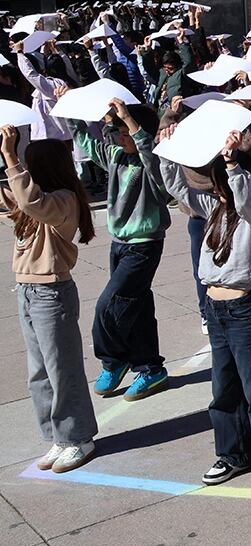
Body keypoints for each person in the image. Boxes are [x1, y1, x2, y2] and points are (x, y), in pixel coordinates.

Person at [159, 130, 251, 493]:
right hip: (216, 308)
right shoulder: (213, 209)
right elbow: (178, 188)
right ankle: (234, 454)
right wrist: (165, 149)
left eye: (222, 182)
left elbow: (247, 201)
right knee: (224, 388)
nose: (215, 190)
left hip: (243, 309)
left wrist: (233, 164)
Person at [2, 125, 99, 474]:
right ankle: (59, 436)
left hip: (50, 294)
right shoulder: (35, 198)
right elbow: (15, 198)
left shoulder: (62, 201)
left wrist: (12, 155)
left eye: (29, 164)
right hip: (26, 291)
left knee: (62, 370)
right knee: (38, 373)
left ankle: (80, 438)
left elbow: (29, 200)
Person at [72, 98, 172, 401]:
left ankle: (114, 359)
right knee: (137, 306)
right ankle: (150, 368)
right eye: (118, 133)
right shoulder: (116, 157)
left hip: (144, 246)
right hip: (119, 245)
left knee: (109, 305)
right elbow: (86, 142)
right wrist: (73, 112)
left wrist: (129, 117)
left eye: (124, 132)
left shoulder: (153, 161)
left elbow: (146, 149)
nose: (119, 138)